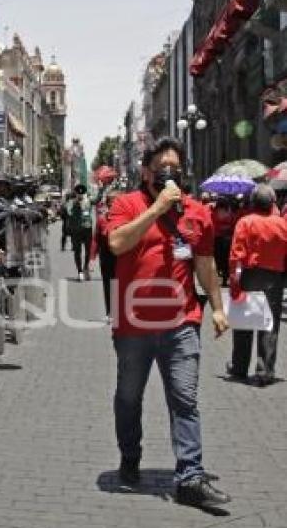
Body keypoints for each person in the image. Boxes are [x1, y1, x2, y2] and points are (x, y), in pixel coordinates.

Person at [107, 137, 230, 508]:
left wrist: (219, 308)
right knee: (129, 398)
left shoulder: (197, 212)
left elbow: (205, 262)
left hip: (182, 322)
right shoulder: (125, 204)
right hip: (132, 325)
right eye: (162, 167)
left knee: (185, 399)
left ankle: (190, 476)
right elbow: (116, 243)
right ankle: (130, 457)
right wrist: (156, 210)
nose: (169, 173)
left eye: (175, 167)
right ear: (145, 171)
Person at [226, 184, 287, 386]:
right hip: (274, 278)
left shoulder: (245, 222)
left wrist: (234, 284)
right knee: (269, 324)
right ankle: (265, 370)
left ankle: (239, 367)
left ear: (253, 202)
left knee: (244, 322)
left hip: (250, 276)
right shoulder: (282, 224)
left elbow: (236, 256)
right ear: (272, 203)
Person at [94, 189, 121, 320]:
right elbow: (96, 238)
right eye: (111, 202)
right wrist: (92, 257)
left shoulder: (126, 218)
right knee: (108, 284)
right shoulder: (102, 219)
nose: (112, 205)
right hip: (106, 255)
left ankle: (119, 310)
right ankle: (110, 312)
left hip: (121, 255)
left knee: (121, 283)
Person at [66, 184, 97, 281]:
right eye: (78, 193)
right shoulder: (72, 202)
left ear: (84, 193)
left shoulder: (88, 201)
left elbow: (97, 200)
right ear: (75, 193)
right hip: (76, 230)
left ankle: (85, 268)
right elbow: (68, 212)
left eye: (82, 193)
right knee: (77, 251)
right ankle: (79, 271)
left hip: (87, 229)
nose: (80, 195)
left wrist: (101, 188)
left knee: (88, 251)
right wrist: (76, 203)